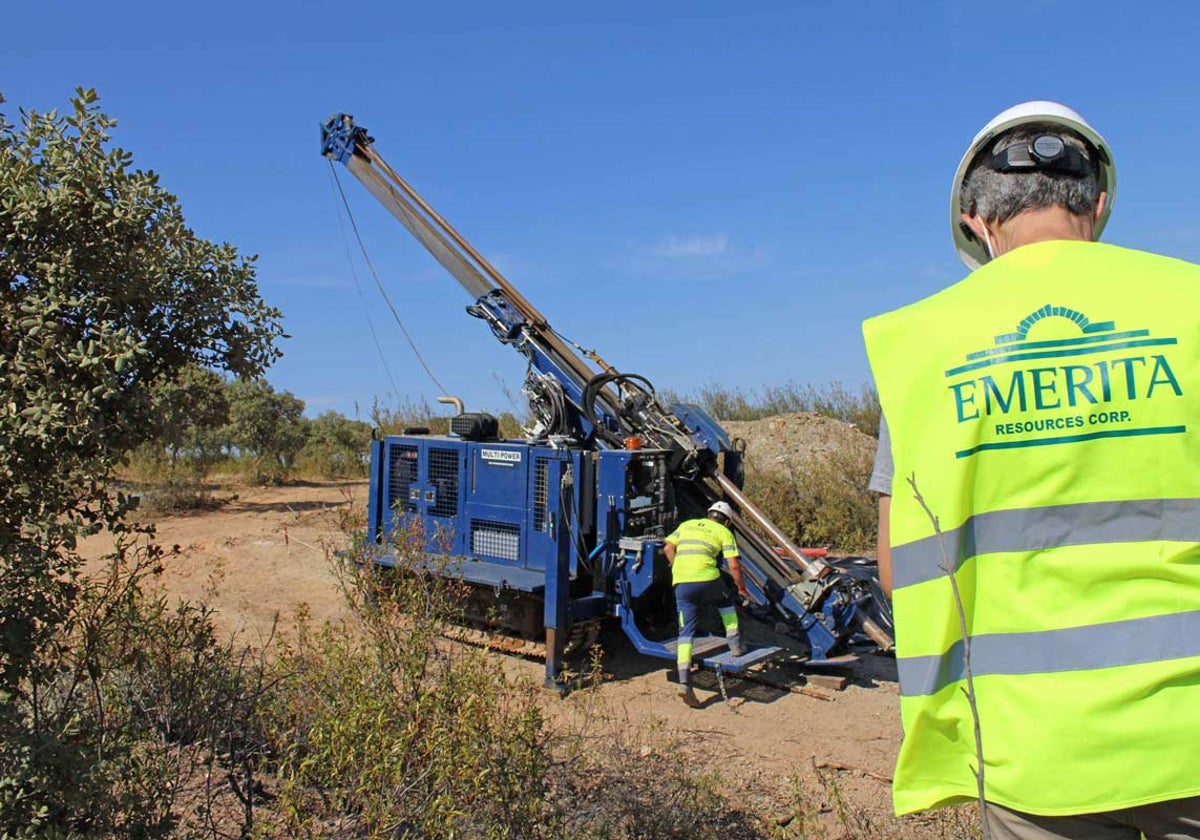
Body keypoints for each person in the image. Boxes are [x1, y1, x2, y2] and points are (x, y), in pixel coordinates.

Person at [862, 100, 1200, 838]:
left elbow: (894, 568)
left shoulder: (920, 351)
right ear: (1099, 204)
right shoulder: (1191, 306)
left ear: (975, 220)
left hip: (1033, 752)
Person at [662, 501, 750, 708]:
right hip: (709, 580)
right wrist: (741, 588)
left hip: (682, 583)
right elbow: (734, 565)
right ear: (726, 521)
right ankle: (735, 645)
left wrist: (679, 569)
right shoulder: (723, 532)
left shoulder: (687, 525)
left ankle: (684, 681)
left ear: (708, 514)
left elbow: (667, 548)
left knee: (685, 632)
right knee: (725, 602)